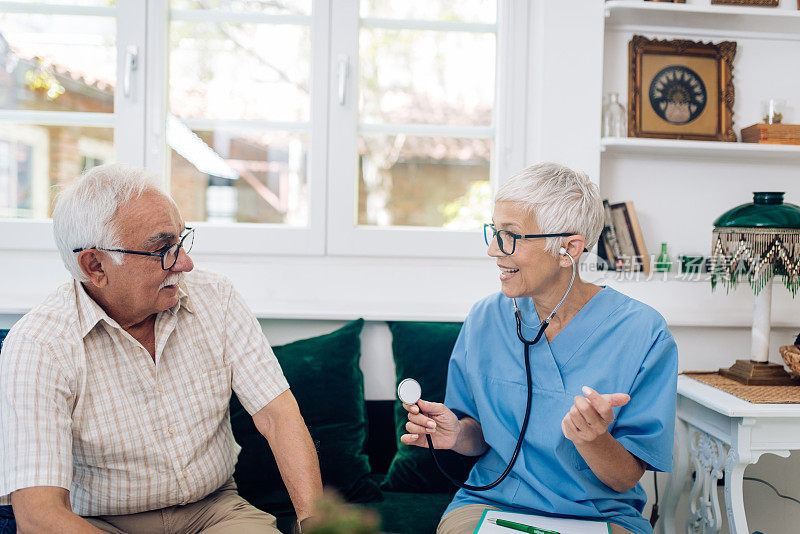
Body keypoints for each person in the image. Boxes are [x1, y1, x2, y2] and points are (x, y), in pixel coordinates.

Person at [0, 164, 323, 533]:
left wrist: (316, 523)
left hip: (214, 511)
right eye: (164, 249)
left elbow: (277, 416)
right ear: (95, 265)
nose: (186, 263)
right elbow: (38, 515)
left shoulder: (216, 297)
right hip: (99, 524)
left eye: (182, 241)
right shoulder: (38, 346)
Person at [401, 162, 678, 534]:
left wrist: (594, 439)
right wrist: (455, 435)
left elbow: (625, 478)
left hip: (597, 515)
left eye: (510, 235)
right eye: (494, 232)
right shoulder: (486, 318)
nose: (492, 250)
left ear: (568, 248)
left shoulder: (644, 333)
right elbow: (480, 434)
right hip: (491, 502)